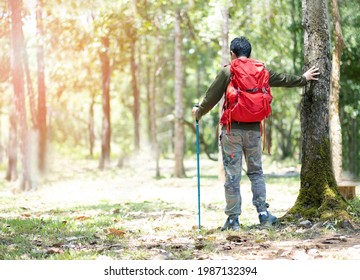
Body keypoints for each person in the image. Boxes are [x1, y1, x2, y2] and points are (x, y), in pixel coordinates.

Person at [192, 37, 319, 230]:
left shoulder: (229, 70)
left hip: (232, 131)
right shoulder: (261, 70)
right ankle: (263, 214)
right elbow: (283, 79)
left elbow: (211, 98)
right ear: (249, 53)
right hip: (253, 130)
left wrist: (198, 112)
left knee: (233, 176)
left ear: (232, 54)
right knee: (256, 172)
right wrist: (303, 79)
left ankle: (233, 220)